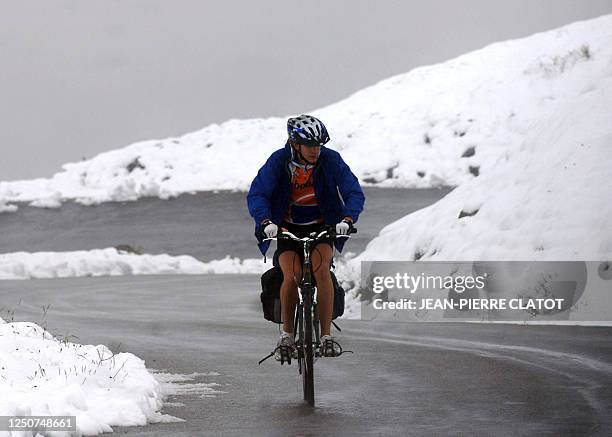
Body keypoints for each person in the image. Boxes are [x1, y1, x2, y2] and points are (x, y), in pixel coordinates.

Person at [247, 114, 365, 361]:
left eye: (319, 145)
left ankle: (326, 337)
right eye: (310, 145)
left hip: (322, 228)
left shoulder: (331, 160)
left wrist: (347, 219)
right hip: (287, 230)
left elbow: (353, 191)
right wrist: (266, 222)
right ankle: (287, 336)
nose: (315, 150)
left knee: (321, 272)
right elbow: (258, 194)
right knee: (292, 275)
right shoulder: (279, 161)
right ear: (295, 144)